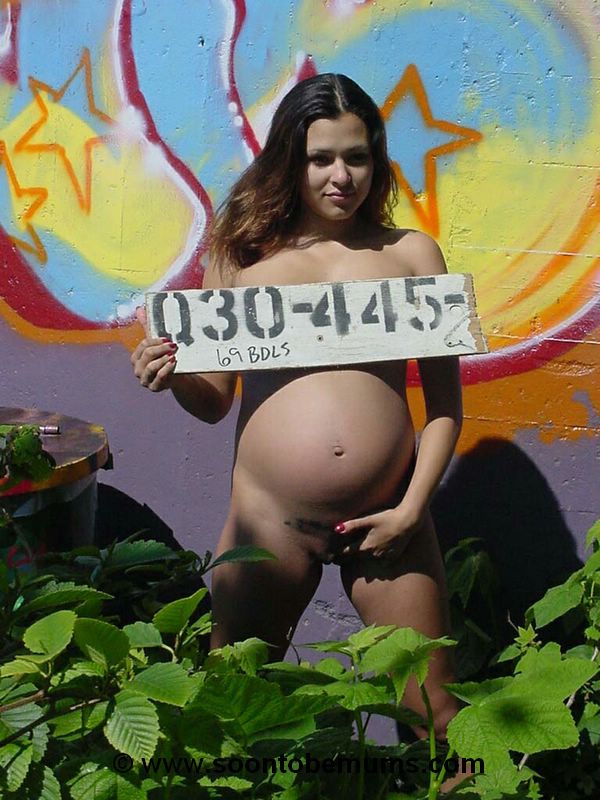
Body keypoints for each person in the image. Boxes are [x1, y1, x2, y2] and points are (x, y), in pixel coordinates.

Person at [132, 74, 463, 751]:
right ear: (291, 158)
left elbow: (445, 407)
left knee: (438, 721)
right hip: (269, 523)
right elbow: (213, 401)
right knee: (231, 714)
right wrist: (172, 375)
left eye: (357, 157)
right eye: (321, 158)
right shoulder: (242, 255)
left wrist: (410, 511)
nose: (341, 176)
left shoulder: (411, 255)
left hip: (388, 519)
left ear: (377, 158)